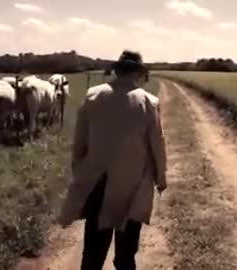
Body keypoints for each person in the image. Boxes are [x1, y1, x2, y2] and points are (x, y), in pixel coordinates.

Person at [57, 50, 167, 270]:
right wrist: (160, 178)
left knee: (93, 253)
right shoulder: (149, 102)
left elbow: (80, 143)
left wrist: (80, 173)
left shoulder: (93, 95)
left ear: (116, 70)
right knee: (126, 255)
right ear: (138, 73)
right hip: (133, 185)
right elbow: (157, 145)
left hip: (98, 181)